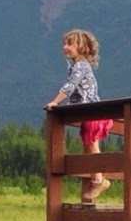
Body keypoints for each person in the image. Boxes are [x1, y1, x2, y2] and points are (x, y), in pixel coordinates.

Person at [45, 29, 112, 203]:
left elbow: (70, 87)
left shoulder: (81, 66)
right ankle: (97, 180)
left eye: (69, 44)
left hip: (93, 111)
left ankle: (99, 180)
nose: (65, 47)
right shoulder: (75, 66)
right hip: (88, 111)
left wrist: (55, 102)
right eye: (64, 44)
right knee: (89, 145)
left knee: (92, 145)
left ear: (80, 47)